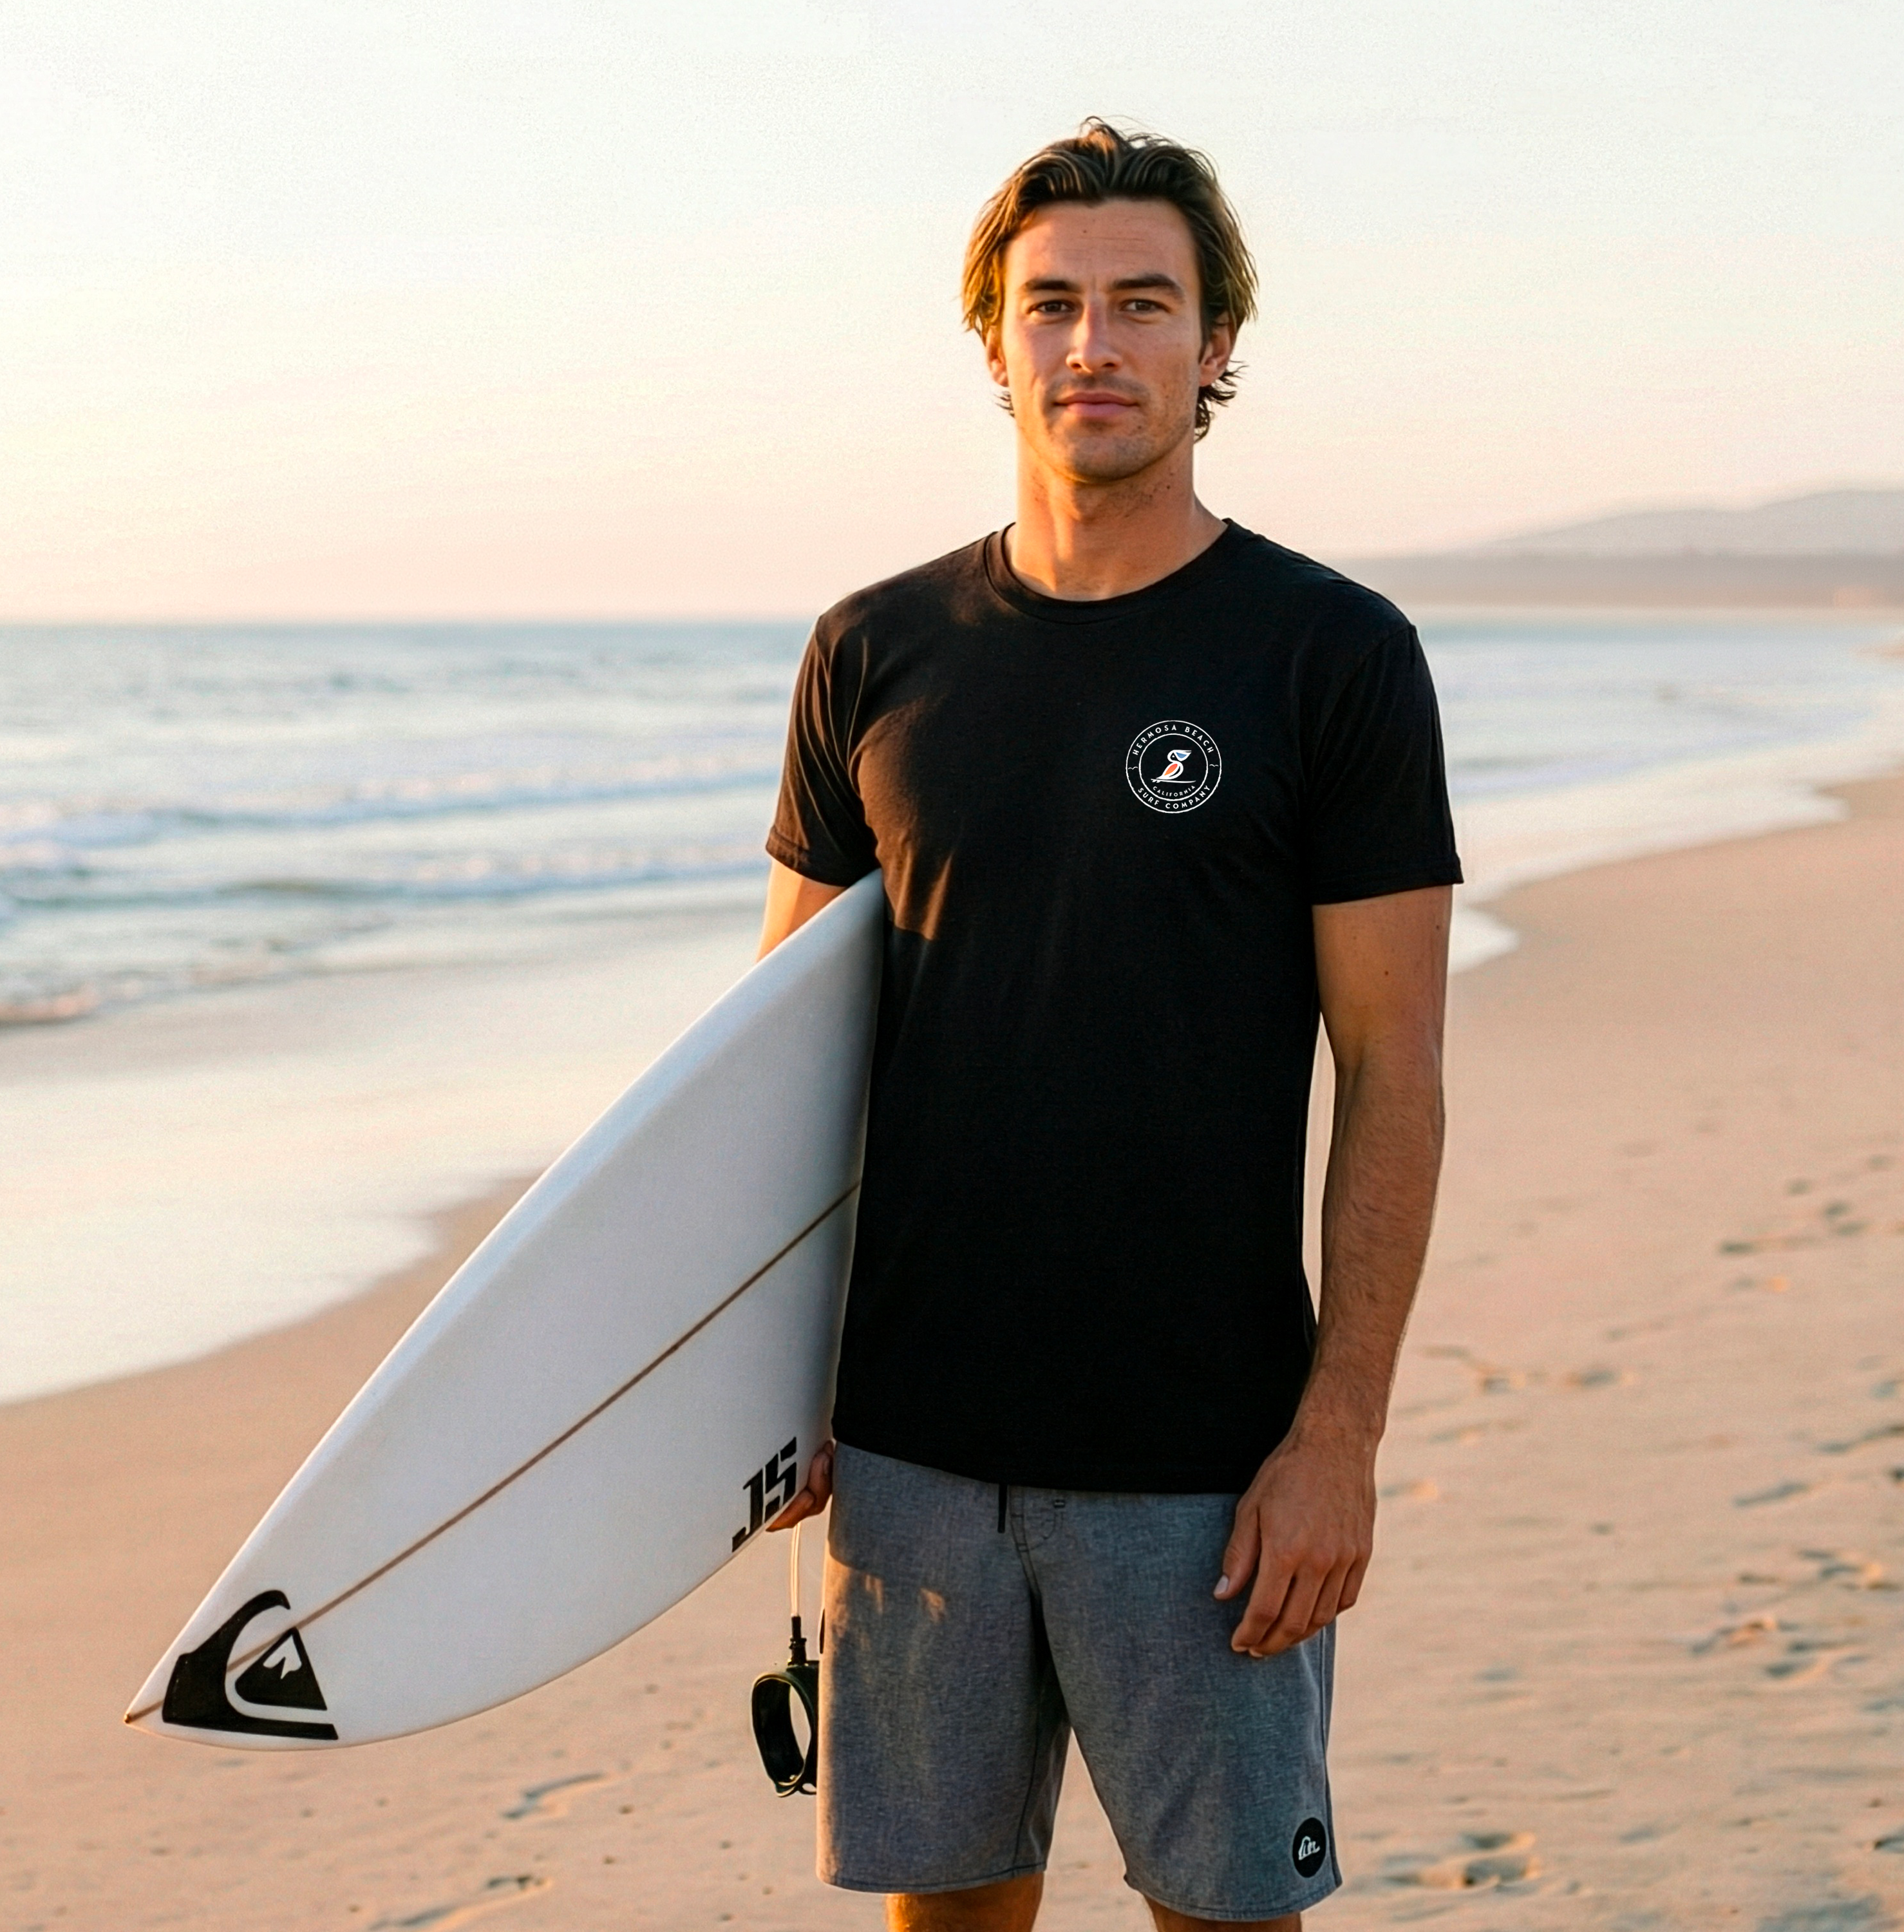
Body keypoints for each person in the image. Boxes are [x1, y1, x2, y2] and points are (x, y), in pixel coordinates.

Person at [757, 119, 1460, 1932]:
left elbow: (1394, 1076)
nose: (1094, 345)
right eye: (1051, 304)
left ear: (1216, 343)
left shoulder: (1331, 656)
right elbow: (781, 1072)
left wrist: (1338, 1441)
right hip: (913, 1464)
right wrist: (765, 1394)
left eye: (1144, 303)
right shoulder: (872, 649)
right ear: (991, 339)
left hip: (1204, 1471)